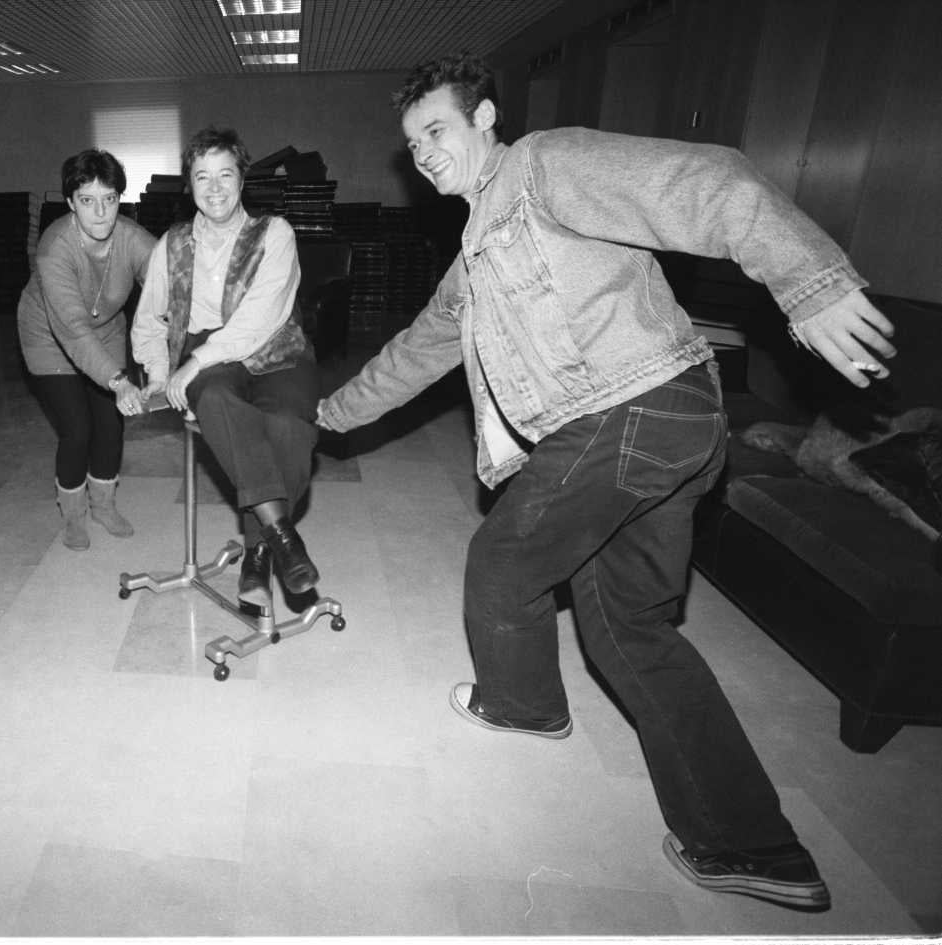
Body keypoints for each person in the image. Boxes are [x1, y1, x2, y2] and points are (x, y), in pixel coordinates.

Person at [317, 53, 897, 913]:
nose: (424, 153)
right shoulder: (473, 249)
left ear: (484, 119)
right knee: (630, 629)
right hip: (663, 429)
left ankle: (522, 706)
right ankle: (751, 847)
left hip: (631, 409)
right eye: (411, 144)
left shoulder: (543, 165)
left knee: (502, 563)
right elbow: (418, 349)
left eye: (435, 130)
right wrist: (326, 415)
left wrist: (807, 283)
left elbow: (707, 177)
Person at [131, 126, 321, 614]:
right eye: (201, 177)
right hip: (207, 355)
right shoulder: (170, 246)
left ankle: (257, 555)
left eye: (225, 175)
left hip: (276, 346)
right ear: (189, 185)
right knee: (213, 398)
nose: (214, 188)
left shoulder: (274, 234)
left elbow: (260, 316)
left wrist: (195, 360)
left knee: (289, 427)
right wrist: (157, 374)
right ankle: (282, 537)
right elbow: (149, 318)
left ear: (242, 180)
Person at [17, 149, 156, 550]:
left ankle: (104, 506)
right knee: (77, 429)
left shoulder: (132, 240)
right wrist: (119, 380)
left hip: (107, 331)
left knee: (111, 425)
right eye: (87, 200)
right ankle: (74, 516)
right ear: (70, 203)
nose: (100, 212)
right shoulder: (55, 247)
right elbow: (73, 329)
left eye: (109, 199)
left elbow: (170, 286)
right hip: (49, 336)